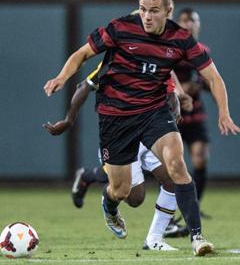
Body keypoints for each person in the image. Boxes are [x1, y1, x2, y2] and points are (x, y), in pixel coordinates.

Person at [44, 0, 240, 256]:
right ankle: (109, 202)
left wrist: (224, 112)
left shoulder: (180, 39)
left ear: (168, 11)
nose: (147, 16)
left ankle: (197, 237)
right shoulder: (121, 28)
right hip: (115, 116)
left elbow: (213, 76)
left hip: (153, 112)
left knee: (176, 164)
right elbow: (82, 54)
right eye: (143, 9)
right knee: (125, 192)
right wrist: (61, 77)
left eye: (154, 11)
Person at [44, 64, 192, 251]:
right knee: (134, 198)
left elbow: (169, 89)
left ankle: (155, 239)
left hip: (151, 130)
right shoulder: (114, 61)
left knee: (172, 179)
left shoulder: (156, 57)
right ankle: (104, 196)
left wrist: (175, 106)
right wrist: (68, 120)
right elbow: (84, 87)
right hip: (121, 134)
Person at [164, 8, 214, 238]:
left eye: (193, 20)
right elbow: (166, 75)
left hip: (195, 112)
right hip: (173, 111)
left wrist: (223, 110)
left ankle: (194, 206)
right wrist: (184, 88)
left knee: (200, 157)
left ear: (198, 25)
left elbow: (209, 81)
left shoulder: (202, 50)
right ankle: (169, 216)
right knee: (172, 165)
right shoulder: (170, 48)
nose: (189, 24)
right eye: (184, 20)